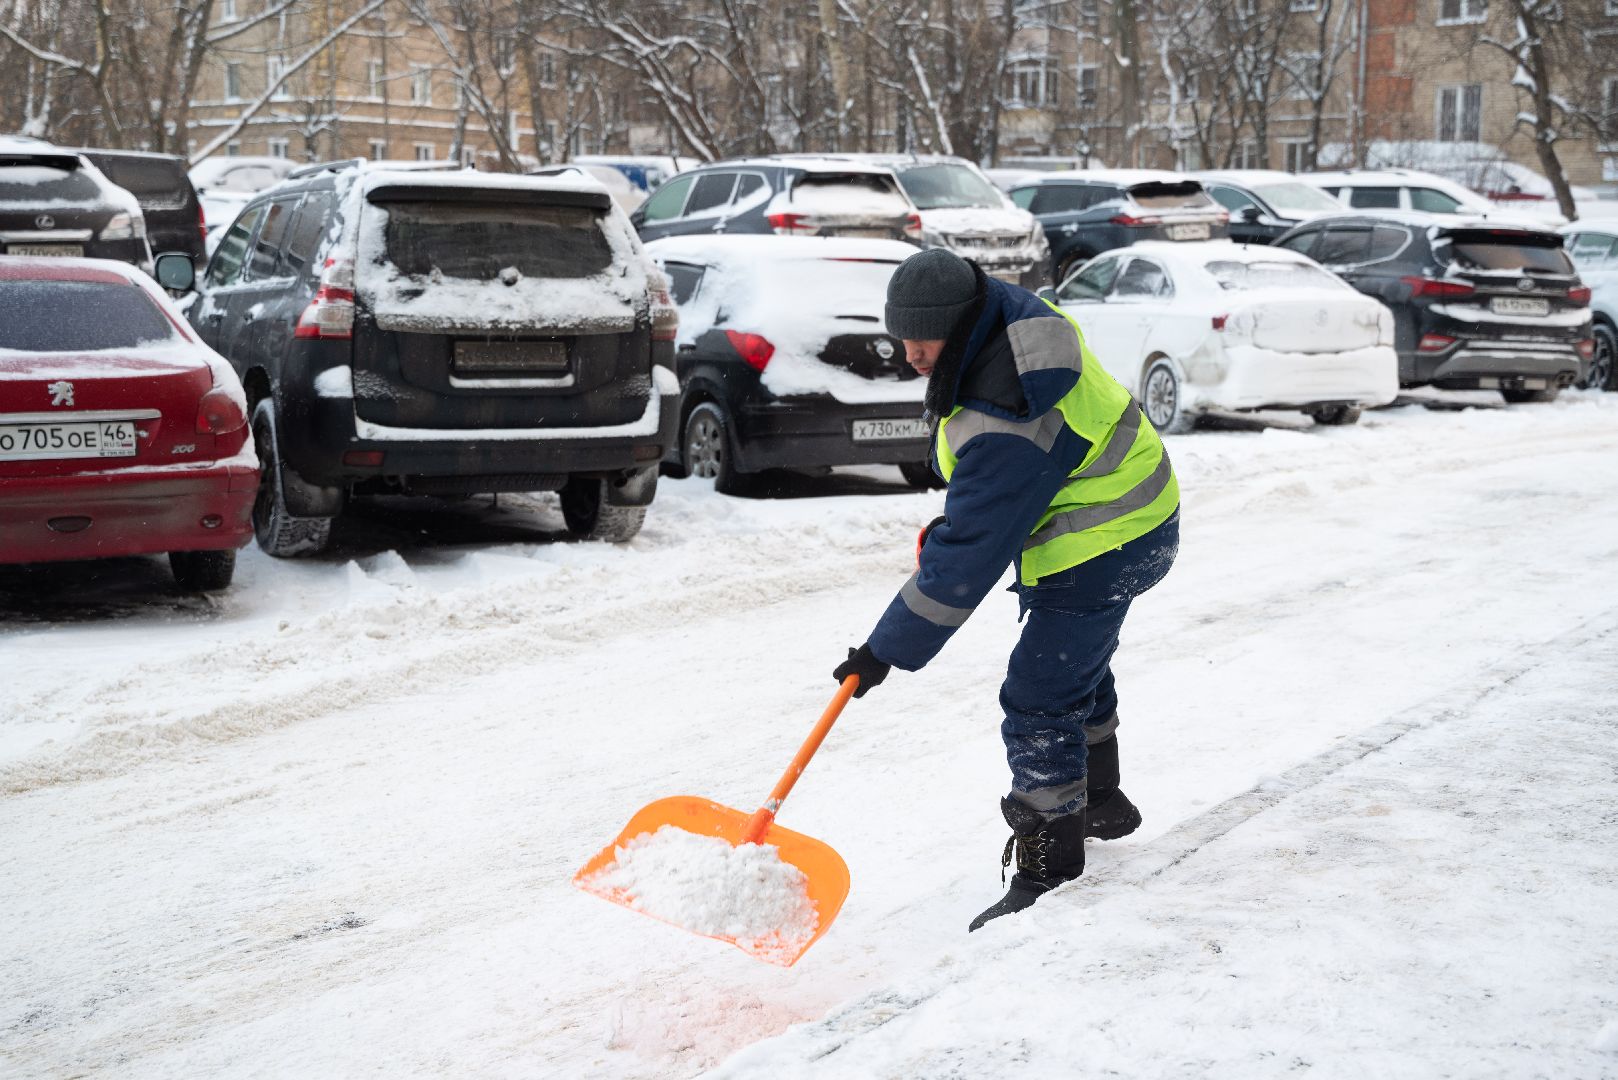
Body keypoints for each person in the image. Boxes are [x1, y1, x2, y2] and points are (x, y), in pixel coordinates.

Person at [831, 247, 1180, 931]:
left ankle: (1049, 866)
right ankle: (1101, 800)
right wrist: (973, 519)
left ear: (959, 327)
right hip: (1136, 512)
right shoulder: (1012, 327)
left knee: (1039, 693)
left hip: (1106, 538)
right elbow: (991, 509)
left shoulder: (1010, 410)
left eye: (922, 341)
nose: (910, 356)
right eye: (901, 338)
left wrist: (883, 650)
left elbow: (966, 563)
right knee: (1074, 664)